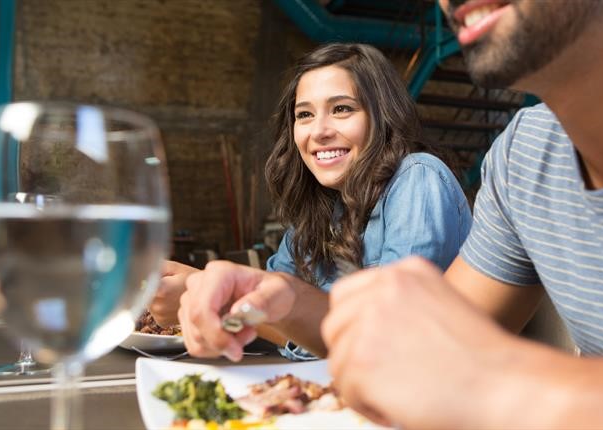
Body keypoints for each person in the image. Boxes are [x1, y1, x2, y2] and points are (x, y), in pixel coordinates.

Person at [319, 1, 603, 429]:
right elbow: (415, 363)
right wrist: (281, 304)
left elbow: (474, 375)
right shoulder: (525, 156)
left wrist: (506, 382)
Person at [165, 43, 471, 360]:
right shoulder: (320, 212)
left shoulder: (416, 178)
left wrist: (209, 294)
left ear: (382, 116)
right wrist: (219, 312)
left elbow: (385, 336)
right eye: (305, 115)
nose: (319, 131)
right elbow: (268, 308)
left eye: (342, 109)